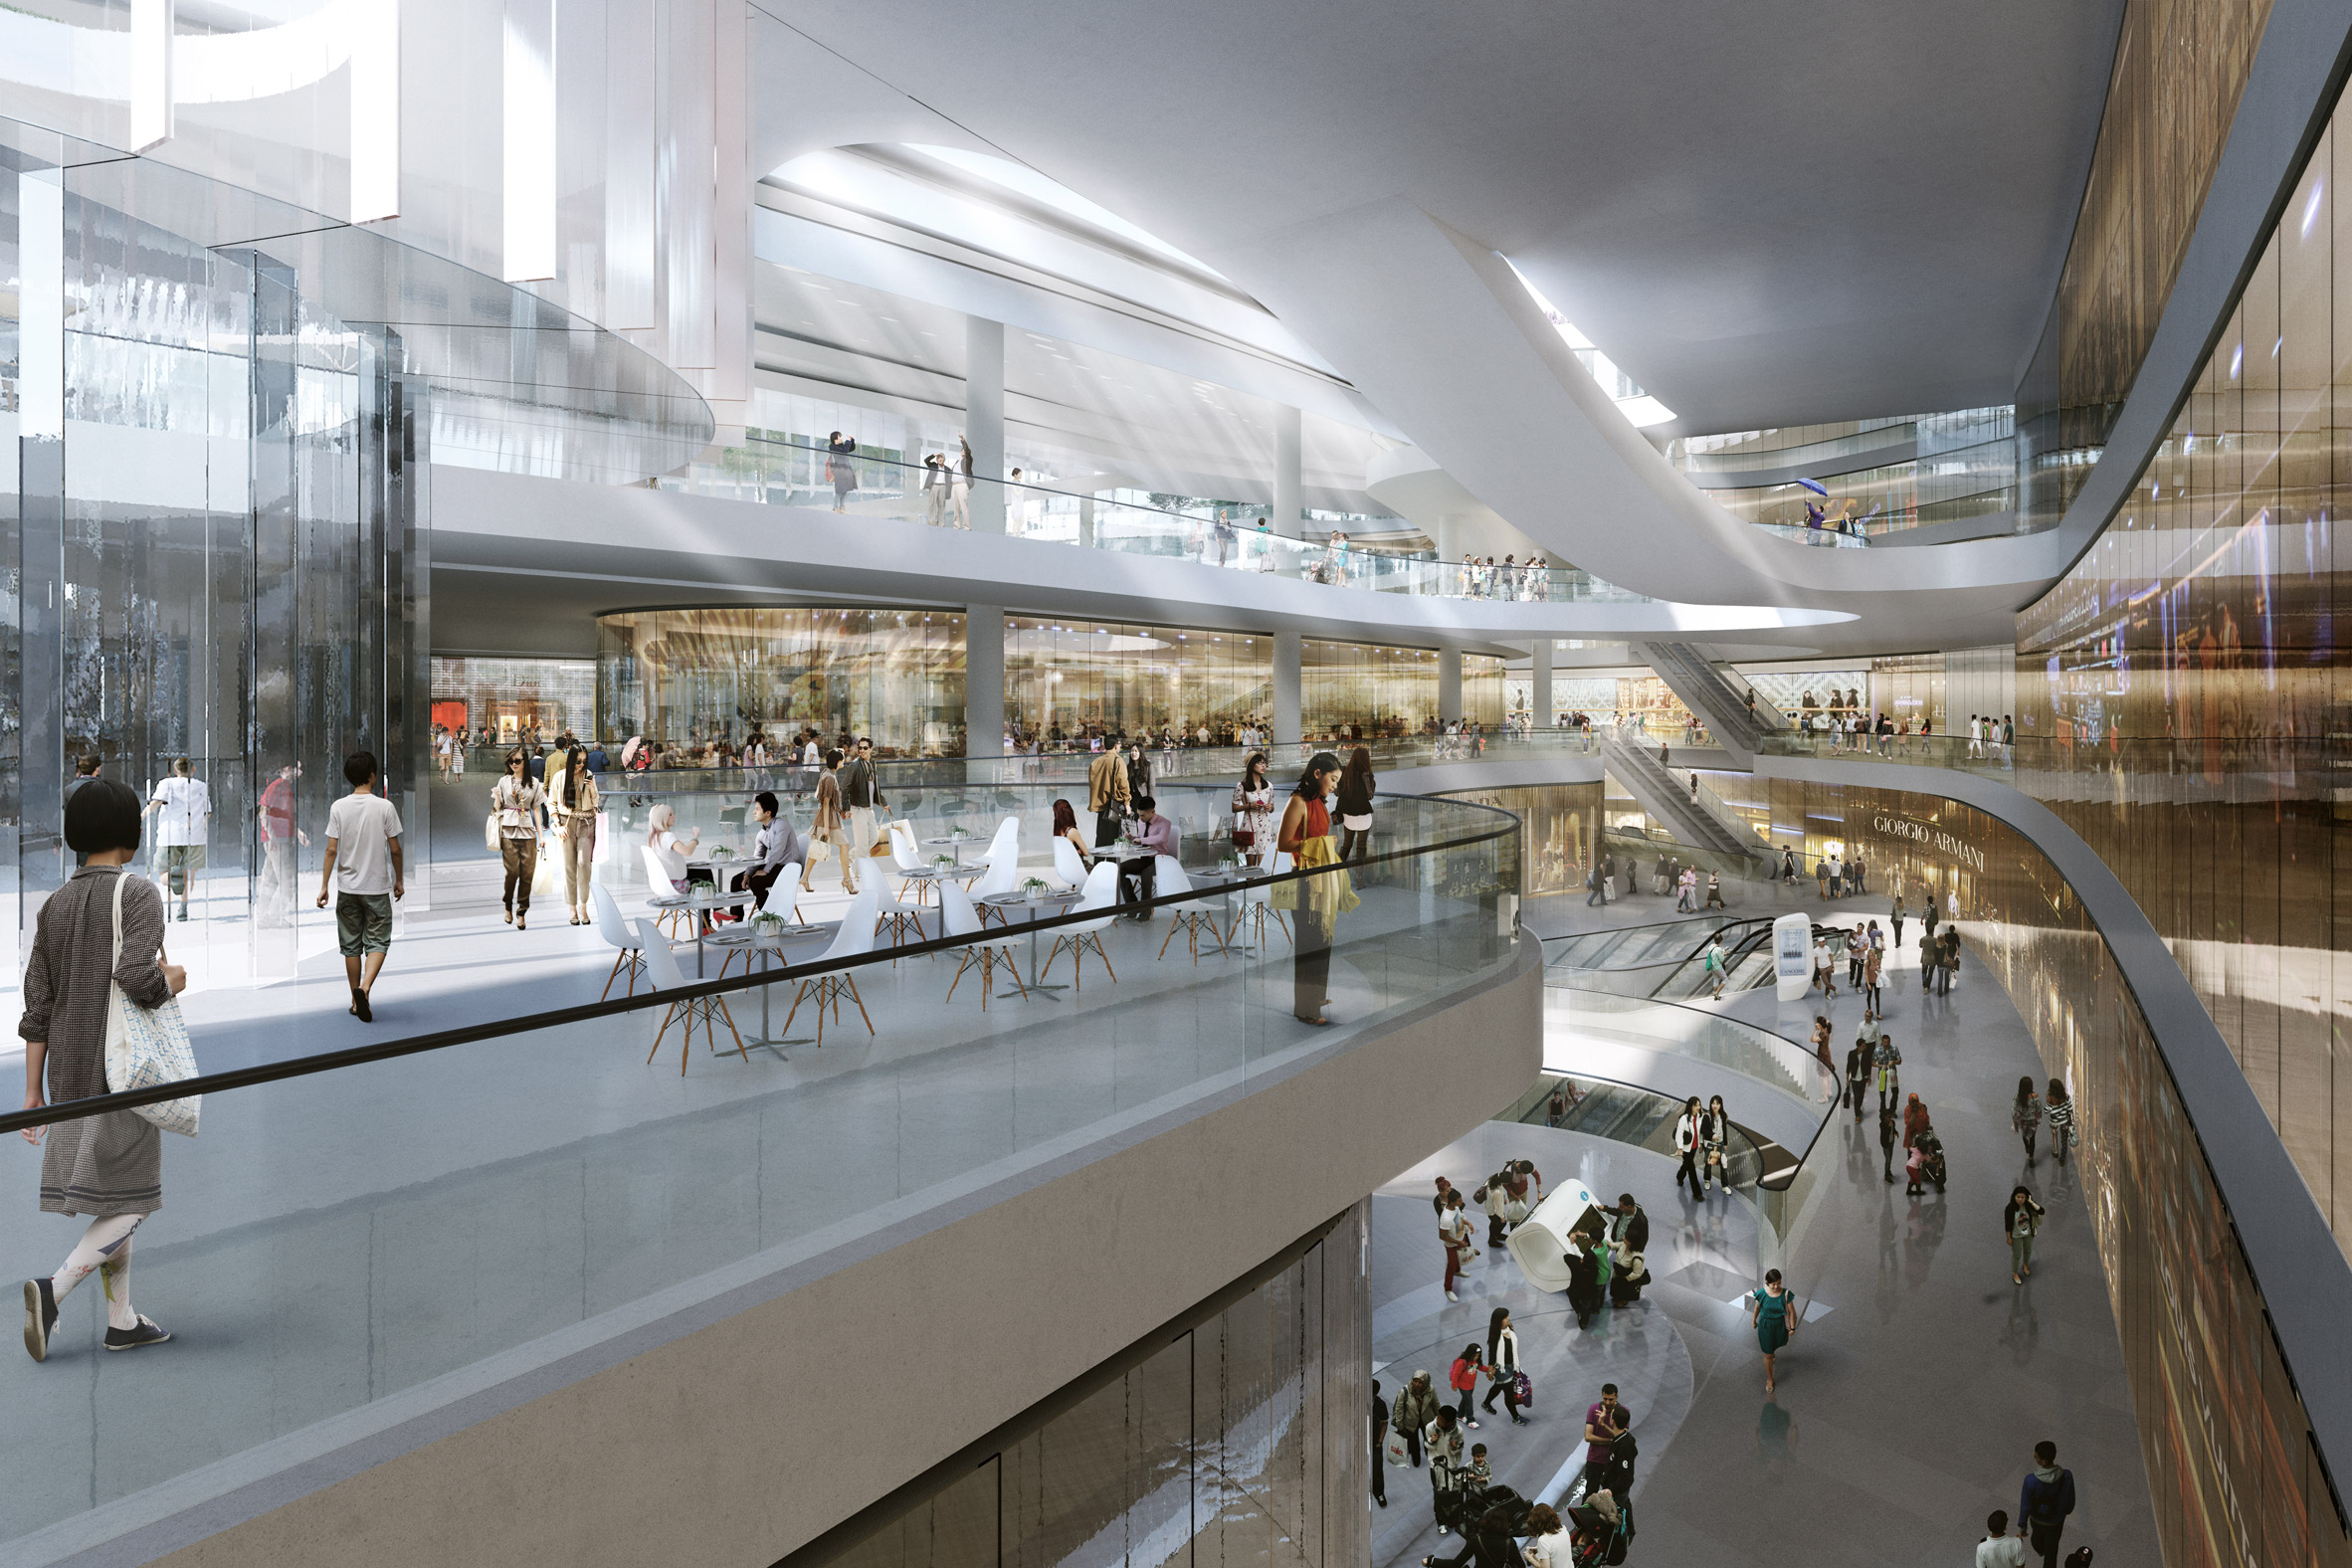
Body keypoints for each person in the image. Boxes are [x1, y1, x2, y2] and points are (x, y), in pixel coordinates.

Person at [19, 777, 185, 1361]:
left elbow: (37, 1004)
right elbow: (140, 981)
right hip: (122, 1068)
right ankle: (54, 1288)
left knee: (119, 1194)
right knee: (136, 1199)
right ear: (131, 834)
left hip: (67, 1069)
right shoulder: (138, 894)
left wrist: (34, 1091)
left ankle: (122, 1321)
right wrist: (175, 980)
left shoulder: (55, 904)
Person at [315, 751, 402, 1023]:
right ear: (373, 775)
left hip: (348, 888)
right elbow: (395, 849)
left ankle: (355, 1001)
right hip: (376, 888)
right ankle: (364, 989)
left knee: (351, 946)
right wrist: (398, 879)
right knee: (377, 941)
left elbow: (331, 850)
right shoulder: (384, 807)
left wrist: (324, 886)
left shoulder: (338, 807)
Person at [1274, 752, 1357, 1025]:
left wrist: (1324, 842)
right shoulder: (1298, 802)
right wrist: (1323, 844)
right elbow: (1283, 843)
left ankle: (1316, 997)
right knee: (1310, 945)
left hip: (1322, 880)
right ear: (1317, 774)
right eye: (1333, 779)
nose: (1335, 786)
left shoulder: (1318, 802)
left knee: (1323, 939)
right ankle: (1306, 1009)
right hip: (1306, 879)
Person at [141, 758, 211, 922]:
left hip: (169, 836)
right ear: (193, 769)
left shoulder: (167, 783)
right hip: (194, 836)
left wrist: (139, 818)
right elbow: (207, 813)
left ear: (175, 769)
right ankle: (183, 909)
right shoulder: (201, 786)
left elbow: (155, 803)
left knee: (163, 872)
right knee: (188, 875)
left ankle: (172, 878)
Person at [491, 748, 544, 928]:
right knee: (512, 872)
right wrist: (497, 796)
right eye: (511, 761)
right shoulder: (503, 781)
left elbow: (536, 809)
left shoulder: (534, 783)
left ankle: (521, 910)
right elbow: (497, 809)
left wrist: (541, 835)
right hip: (508, 830)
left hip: (528, 831)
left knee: (527, 874)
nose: (514, 764)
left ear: (525, 762)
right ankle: (507, 904)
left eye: (518, 760)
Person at [550, 745, 601, 925]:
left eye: (584, 761)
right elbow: (552, 803)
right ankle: (572, 907)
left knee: (583, 864)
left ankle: (584, 906)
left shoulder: (589, 775)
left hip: (587, 823)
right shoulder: (560, 777)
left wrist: (592, 790)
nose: (581, 765)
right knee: (569, 867)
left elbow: (596, 803)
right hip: (567, 824)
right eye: (578, 761)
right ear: (571, 760)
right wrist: (557, 824)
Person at [733, 791, 804, 914]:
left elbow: (778, 849)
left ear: (768, 813)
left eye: (757, 809)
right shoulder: (761, 833)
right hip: (775, 867)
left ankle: (769, 918)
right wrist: (748, 874)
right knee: (736, 880)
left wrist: (765, 870)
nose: (753, 812)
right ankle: (736, 918)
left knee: (756, 882)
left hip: (788, 869)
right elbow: (757, 857)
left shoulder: (782, 825)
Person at [255, 761, 306, 925]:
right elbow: (263, 811)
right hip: (277, 841)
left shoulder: (286, 787)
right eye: (297, 768)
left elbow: (284, 814)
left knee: (269, 880)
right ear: (286, 768)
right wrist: (272, 837)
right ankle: (274, 917)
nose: (300, 772)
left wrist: (297, 832)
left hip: (279, 839)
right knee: (287, 882)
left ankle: (262, 916)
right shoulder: (277, 786)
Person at [1115, 794, 1176, 920]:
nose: (1140, 818)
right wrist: (1131, 838)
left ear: (1152, 812)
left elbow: (1161, 838)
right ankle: (1132, 905)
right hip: (1145, 858)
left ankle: (1145, 912)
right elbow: (1140, 840)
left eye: (1143, 815)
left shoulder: (1165, 823)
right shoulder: (1140, 821)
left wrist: (1141, 839)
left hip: (1160, 859)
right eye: (1139, 814)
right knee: (1118, 869)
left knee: (1146, 874)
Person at [2018, 1441, 2077, 1568]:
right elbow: (2071, 1497)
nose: (2034, 1456)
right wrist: (2066, 1511)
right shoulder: (2066, 1475)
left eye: (2036, 1455)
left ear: (2044, 1461)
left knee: (2036, 1541)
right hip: (2057, 1522)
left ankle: (2042, 1551)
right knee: (2052, 1550)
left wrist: (2023, 1526)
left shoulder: (2031, 1480)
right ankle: (2048, 1552)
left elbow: (2025, 1505)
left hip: (2037, 1520)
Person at [807, 750, 856, 894]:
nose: (843, 762)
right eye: (842, 760)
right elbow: (826, 802)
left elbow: (831, 802)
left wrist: (841, 812)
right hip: (827, 819)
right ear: (837, 762)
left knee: (820, 849)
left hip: (831, 817)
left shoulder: (828, 774)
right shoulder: (829, 777)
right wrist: (827, 827)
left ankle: (804, 878)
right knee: (839, 845)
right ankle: (846, 880)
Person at [1748, 1268, 1796, 1392]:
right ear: (1767, 1282)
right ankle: (1770, 1379)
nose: (1776, 1286)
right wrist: (1754, 1320)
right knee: (1768, 1354)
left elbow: (1792, 1312)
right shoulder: (1762, 1294)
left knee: (1774, 1346)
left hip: (1780, 1326)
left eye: (1779, 1283)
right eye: (1773, 1284)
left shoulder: (1786, 1294)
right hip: (1765, 1326)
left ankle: (1772, 1353)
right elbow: (1757, 1308)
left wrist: (1792, 1327)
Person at [1580, 1384, 1631, 1497]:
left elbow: (1622, 1437)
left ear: (1616, 1397)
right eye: (1605, 1399)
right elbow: (1588, 1437)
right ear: (1602, 1396)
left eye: (1611, 1399)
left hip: (1613, 1462)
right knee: (1590, 1494)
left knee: (1610, 1495)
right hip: (1595, 1460)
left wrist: (1602, 1424)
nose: (1607, 1403)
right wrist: (1612, 1440)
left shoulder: (1623, 1413)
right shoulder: (1593, 1409)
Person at [842, 737, 885, 866]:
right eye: (860, 748)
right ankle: (860, 874)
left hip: (869, 808)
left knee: (873, 839)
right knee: (861, 845)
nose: (861, 750)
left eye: (865, 748)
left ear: (871, 749)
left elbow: (875, 786)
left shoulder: (872, 763)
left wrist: (883, 802)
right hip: (858, 808)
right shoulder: (854, 765)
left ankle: (847, 858)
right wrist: (846, 808)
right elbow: (845, 786)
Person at [1481, 1307, 1527, 1425]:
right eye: (1505, 1318)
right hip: (1501, 1368)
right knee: (1509, 1394)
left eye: (1508, 1316)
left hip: (1511, 1365)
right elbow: (1492, 1353)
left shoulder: (1509, 1329)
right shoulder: (1495, 1335)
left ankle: (1486, 1403)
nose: (1508, 1319)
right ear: (1499, 1321)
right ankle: (1516, 1417)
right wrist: (1490, 1369)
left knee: (1498, 1386)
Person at [1423, 1406, 1466, 1531]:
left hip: (1451, 1466)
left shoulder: (1458, 1431)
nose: (1438, 1420)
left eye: (1441, 1419)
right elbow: (1426, 1445)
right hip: (1437, 1468)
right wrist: (1431, 1441)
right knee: (1440, 1495)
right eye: (1438, 1416)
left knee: (1453, 1494)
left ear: (1450, 1422)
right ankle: (1441, 1521)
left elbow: (1460, 1449)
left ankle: (1454, 1518)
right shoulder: (1430, 1427)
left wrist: (1455, 1447)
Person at [1231, 751, 1274, 867]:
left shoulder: (1269, 786)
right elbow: (1234, 807)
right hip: (1249, 828)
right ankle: (1251, 884)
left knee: (1263, 867)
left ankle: (1261, 885)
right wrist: (1250, 806)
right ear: (1251, 765)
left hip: (1265, 828)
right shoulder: (1241, 786)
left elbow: (1272, 806)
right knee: (1251, 868)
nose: (1263, 766)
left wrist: (1270, 807)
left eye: (1264, 763)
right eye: (1260, 763)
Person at [1392, 1370, 1442, 1470]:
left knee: (1429, 1440)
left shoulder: (1430, 1390)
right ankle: (1416, 1459)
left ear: (1425, 1383)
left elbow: (1436, 1404)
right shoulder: (1404, 1391)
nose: (1417, 1384)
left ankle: (1431, 1456)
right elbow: (1399, 1409)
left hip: (1426, 1420)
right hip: (1410, 1421)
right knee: (1413, 1442)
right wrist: (1400, 1425)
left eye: (1420, 1382)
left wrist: (1440, 1419)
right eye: (1415, 1381)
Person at [1606, 1193, 1650, 1304]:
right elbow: (1618, 1245)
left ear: (1629, 1206)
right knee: (1617, 1282)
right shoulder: (1623, 1244)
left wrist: (1626, 1279)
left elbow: (1644, 1238)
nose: (1619, 1209)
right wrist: (1605, 1208)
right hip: (1624, 1253)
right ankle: (1617, 1295)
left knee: (1624, 1286)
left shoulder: (1641, 1220)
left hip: (1628, 1269)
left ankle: (1624, 1299)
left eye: (1621, 1207)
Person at [1335, 746, 1377, 864]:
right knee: (1361, 846)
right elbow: (1370, 796)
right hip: (1363, 814)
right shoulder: (1366, 775)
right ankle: (1360, 875)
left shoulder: (1344, 772)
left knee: (1347, 844)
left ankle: (1337, 870)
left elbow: (1337, 793)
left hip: (1348, 814)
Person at [1086, 743, 1130, 849]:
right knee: (1112, 841)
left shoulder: (1096, 762)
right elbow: (1123, 783)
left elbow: (1092, 783)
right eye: (1119, 744)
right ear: (1115, 746)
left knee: (1100, 839)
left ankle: (1099, 864)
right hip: (1113, 806)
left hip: (1100, 806)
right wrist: (1127, 802)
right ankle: (1112, 865)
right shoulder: (1118, 761)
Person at [2004, 1186, 2047, 1284]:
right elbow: (2008, 1224)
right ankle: (2014, 1273)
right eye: (2018, 1197)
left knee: (2028, 1250)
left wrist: (2031, 1202)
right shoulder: (2010, 1208)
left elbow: (2041, 1211)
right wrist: (2008, 1237)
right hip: (2016, 1235)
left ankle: (2025, 1265)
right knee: (2016, 1255)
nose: (2020, 1200)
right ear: (2014, 1197)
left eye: (2022, 1197)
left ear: (2026, 1197)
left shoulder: (2028, 1205)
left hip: (2028, 1233)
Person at [1439, 1188, 1474, 1302]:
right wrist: (1458, 1242)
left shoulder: (1456, 1208)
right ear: (1452, 1202)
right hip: (1452, 1244)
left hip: (1460, 1238)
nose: (1462, 1202)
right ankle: (1448, 1289)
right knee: (1451, 1266)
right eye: (1459, 1200)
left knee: (1459, 1260)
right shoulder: (1445, 1218)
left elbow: (1460, 1218)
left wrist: (1468, 1223)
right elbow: (1442, 1236)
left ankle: (1458, 1270)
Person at [1448, 1344, 1486, 1430]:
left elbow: (1480, 1367)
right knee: (1469, 1402)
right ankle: (1470, 1419)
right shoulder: (1462, 1362)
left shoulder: (1476, 1362)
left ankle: (1460, 1415)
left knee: (1465, 1400)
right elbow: (1456, 1374)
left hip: (1471, 1386)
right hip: (1463, 1386)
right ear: (1469, 1353)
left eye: (1478, 1356)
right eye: (1475, 1355)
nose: (1476, 1357)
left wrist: (1488, 1369)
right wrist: (1454, 1385)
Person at [1698, 1094, 1729, 1196]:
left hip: (1720, 1144)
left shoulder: (1723, 1116)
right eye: (1713, 1103)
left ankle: (1725, 1186)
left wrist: (1725, 1143)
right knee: (1708, 1164)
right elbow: (1703, 1130)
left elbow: (1724, 1130)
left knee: (1724, 1164)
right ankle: (1707, 1181)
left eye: (1717, 1104)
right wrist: (1712, 1135)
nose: (1715, 1106)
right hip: (1710, 1144)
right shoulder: (1707, 1116)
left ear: (1721, 1105)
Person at [1672, 1095, 1702, 1195]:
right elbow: (1678, 1134)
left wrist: (1701, 1143)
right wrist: (1680, 1148)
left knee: (1686, 1165)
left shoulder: (1699, 1117)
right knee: (1691, 1169)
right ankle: (1697, 1193)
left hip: (1694, 1147)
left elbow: (1699, 1132)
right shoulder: (1684, 1119)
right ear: (1690, 1107)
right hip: (1685, 1148)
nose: (1698, 1107)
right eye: (1696, 1106)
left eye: (1699, 1105)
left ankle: (1680, 1177)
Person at [2013, 1076, 2045, 1164]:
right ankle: (2031, 1158)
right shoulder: (2034, 1096)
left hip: (2023, 1121)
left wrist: (2015, 1120)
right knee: (2033, 1138)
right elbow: (2039, 1108)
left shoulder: (2018, 1097)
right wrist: (2038, 1119)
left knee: (2024, 1134)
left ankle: (2026, 1146)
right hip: (2032, 1121)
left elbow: (2014, 1108)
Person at [825, 430, 858, 511]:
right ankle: (835, 508)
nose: (841, 438)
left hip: (846, 471)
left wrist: (851, 440)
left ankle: (842, 507)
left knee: (845, 490)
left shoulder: (841, 446)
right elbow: (845, 450)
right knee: (839, 491)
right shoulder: (833, 447)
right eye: (840, 437)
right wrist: (848, 441)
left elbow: (851, 448)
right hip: (840, 472)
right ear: (835, 439)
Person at [2046, 1078, 2076, 1165]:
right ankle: (2062, 1158)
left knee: (2054, 1135)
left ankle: (2055, 1151)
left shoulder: (2050, 1096)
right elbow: (2070, 1110)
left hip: (2054, 1120)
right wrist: (2071, 1122)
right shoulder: (2066, 1096)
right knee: (2064, 1140)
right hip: (2065, 1120)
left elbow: (2048, 1108)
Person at [1370, 1378, 1390, 1507]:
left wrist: (1380, 1441)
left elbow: (1384, 1423)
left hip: (1374, 1442)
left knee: (1377, 1470)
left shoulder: (1380, 1405)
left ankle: (1379, 1493)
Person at [1872, 1030, 1902, 1111]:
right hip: (1882, 1074)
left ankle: (1892, 1110)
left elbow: (1900, 1061)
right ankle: (1883, 1110)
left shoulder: (1894, 1049)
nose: (1886, 1044)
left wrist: (1894, 1062)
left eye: (1888, 1042)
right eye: (1885, 1042)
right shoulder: (1877, 1051)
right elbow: (1873, 1063)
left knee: (1895, 1092)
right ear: (1882, 1042)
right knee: (1882, 1094)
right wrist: (1881, 1065)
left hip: (1892, 1074)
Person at [1877, 1101, 1899, 1184]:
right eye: (1888, 1117)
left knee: (1890, 1157)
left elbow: (1893, 1129)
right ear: (1884, 1117)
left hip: (1891, 1142)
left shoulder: (1893, 1122)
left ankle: (1888, 1170)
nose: (1890, 1118)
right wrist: (1890, 1127)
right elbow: (1885, 1133)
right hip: (1885, 1144)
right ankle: (1886, 1175)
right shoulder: (1882, 1125)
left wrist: (1895, 1132)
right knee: (1888, 1159)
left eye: (1890, 1116)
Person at [1704, 934, 1729, 998]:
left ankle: (1715, 995)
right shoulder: (1718, 949)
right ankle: (1716, 993)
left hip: (1712, 966)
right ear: (1721, 941)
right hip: (1717, 967)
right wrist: (1723, 953)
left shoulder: (1711, 946)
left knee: (1716, 979)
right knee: (1725, 979)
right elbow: (1722, 959)